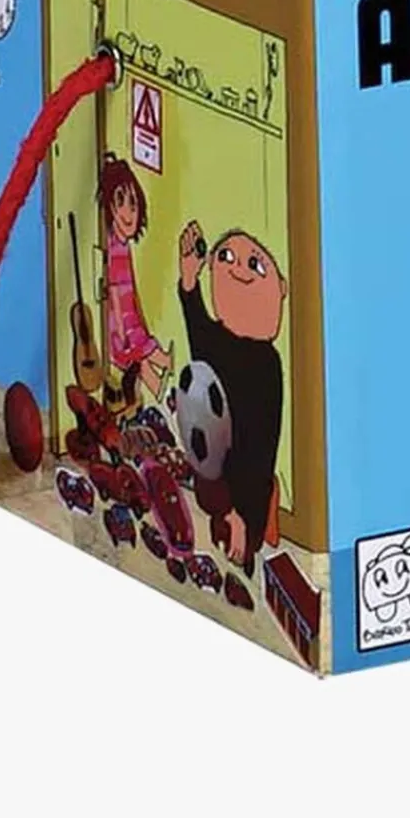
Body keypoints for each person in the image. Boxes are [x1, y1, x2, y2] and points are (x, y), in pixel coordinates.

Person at [178, 221, 286, 573]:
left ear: (281, 288)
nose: (239, 269)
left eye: (254, 264)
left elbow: (260, 450)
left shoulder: (266, 364)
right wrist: (189, 280)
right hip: (216, 477)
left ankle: (252, 528)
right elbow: (197, 328)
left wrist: (243, 515)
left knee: (240, 554)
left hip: (246, 491)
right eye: (226, 258)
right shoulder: (216, 339)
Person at [98, 154, 171, 412]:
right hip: (120, 324)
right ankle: (163, 377)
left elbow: (131, 286)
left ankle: (165, 375)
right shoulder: (111, 247)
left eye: (133, 204)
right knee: (138, 355)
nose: (128, 213)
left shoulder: (123, 246)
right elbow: (114, 290)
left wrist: (138, 317)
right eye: (120, 203)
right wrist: (120, 330)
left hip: (130, 318)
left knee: (143, 350)